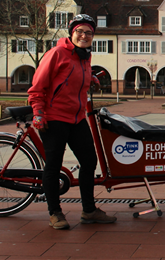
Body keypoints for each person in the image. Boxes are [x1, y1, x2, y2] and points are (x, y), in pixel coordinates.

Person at [28, 14, 117, 230]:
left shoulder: (85, 57)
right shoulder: (57, 53)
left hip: (77, 118)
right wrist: (38, 112)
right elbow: (38, 86)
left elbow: (74, 81)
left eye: (88, 32)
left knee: (88, 161)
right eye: (80, 31)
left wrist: (91, 79)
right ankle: (55, 213)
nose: (84, 35)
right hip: (54, 118)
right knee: (53, 166)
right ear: (72, 33)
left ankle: (89, 211)